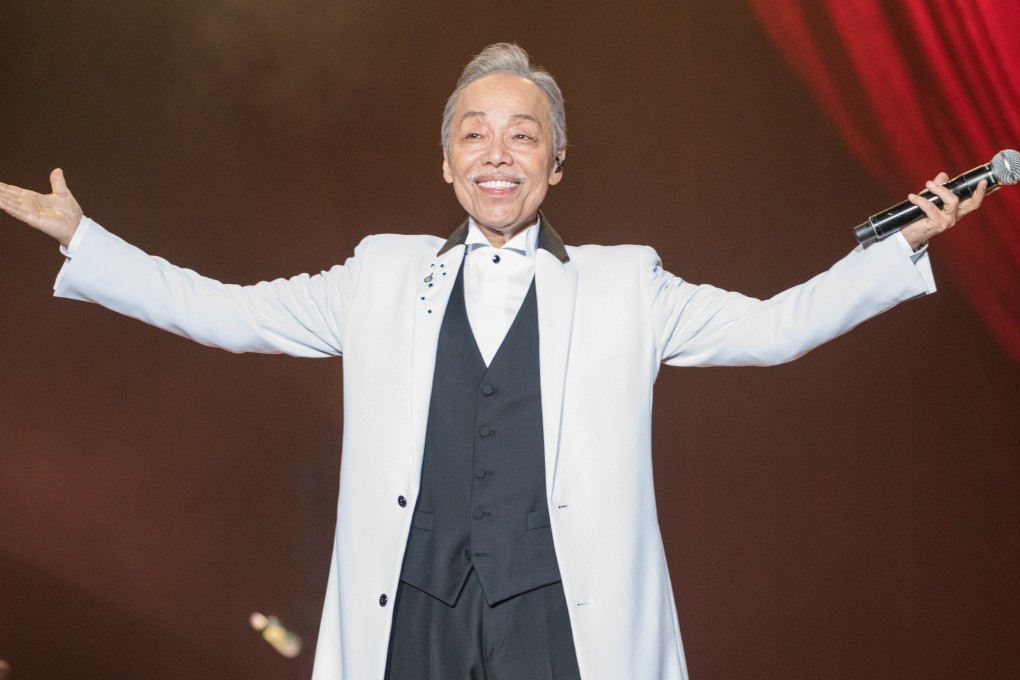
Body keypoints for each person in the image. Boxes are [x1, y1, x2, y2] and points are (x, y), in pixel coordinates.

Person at [0, 43, 986, 680]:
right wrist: (86, 239)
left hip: (561, 626)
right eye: (474, 132)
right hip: (411, 620)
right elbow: (223, 312)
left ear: (556, 162)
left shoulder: (623, 282)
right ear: (446, 162)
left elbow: (775, 327)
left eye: (524, 134)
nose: (497, 151)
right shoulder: (379, 275)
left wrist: (899, 246)